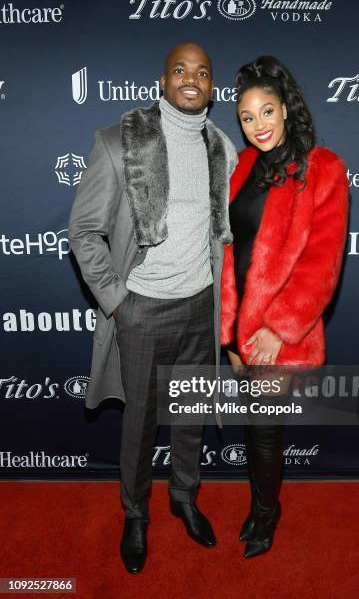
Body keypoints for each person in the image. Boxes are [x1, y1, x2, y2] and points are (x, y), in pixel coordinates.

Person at [69, 42, 237, 574]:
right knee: (139, 423)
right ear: (162, 81)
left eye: (203, 72)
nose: (192, 79)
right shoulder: (119, 143)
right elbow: (83, 231)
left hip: (200, 307)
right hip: (141, 309)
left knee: (189, 415)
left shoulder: (221, 147)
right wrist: (118, 304)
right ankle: (135, 515)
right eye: (180, 70)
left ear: (213, 87)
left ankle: (184, 497)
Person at [221, 55, 349, 558]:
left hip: (277, 333)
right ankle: (260, 506)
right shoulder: (243, 165)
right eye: (247, 118)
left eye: (266, 112)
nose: (258, 126)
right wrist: (228, 331)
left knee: (266, 430)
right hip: (237, 327)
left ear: (287, 109)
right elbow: (230, 252)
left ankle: (266, 515)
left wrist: (279, 328)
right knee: (254, 427)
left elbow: (323, 263)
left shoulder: (323, 168)